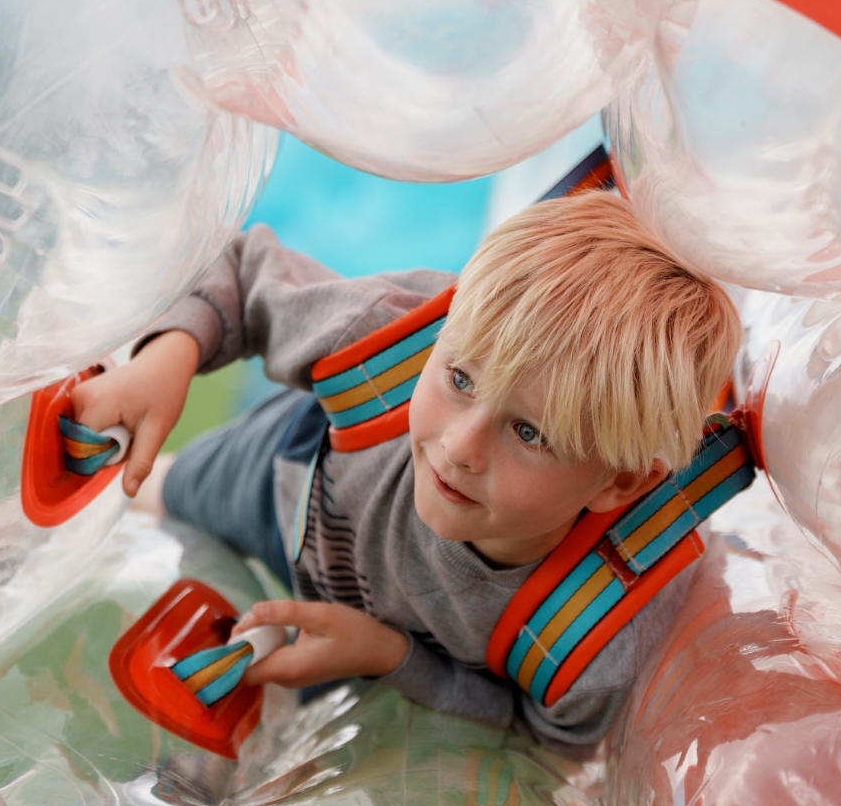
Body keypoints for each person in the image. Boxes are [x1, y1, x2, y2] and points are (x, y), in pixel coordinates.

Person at [72, 190, 741, 750]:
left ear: (619, 483)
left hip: (386, 645)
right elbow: (240, 269)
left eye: (529, 433)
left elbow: (540, 738)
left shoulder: (601, 630)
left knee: (245, 732)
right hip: (289, 488)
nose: (460, 446)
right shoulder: (385, 338)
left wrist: (390, 656)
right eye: (459, 379)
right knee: (143, 494)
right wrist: (166, 357)